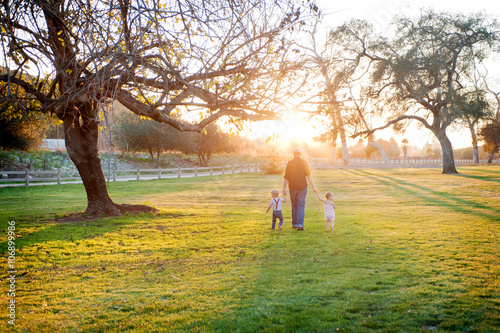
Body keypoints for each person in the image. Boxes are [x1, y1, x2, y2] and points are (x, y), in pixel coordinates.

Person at [283, 147, 317, 231]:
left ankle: (294, 224)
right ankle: (300, 225)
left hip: (292, 187)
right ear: (300, 153)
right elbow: (309, 175)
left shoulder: (289, 163)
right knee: (301, 205)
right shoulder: (304, 162)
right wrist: (313, 186)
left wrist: (284, 188)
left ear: (293, 154)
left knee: (294, 205)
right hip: (302, 187)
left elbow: (286, 177)